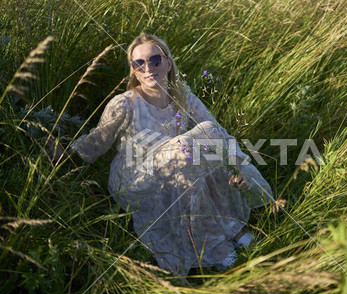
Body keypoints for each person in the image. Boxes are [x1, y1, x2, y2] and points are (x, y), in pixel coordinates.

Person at [49, 33, 273, 278]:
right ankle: (213, 244)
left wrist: (236, 167)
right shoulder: (124, 104)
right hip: (136, 178)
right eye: (139, 63)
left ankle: (231, 228)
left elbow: (216, 131)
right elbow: (96, 142)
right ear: (134, 71)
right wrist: (65, 155)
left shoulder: (183, 96)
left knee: (207, 139)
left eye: (155, 60)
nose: (148, 68)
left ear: (168, 63)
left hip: (178, 164)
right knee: (185, 149)